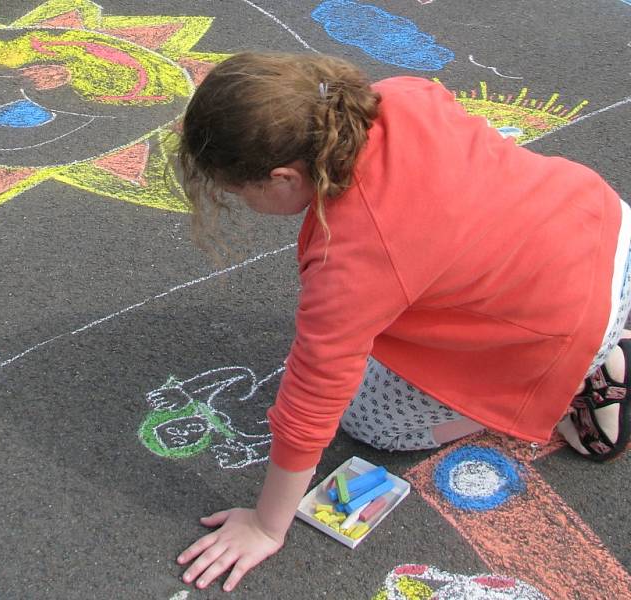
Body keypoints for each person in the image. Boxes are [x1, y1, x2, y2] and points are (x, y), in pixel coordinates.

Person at [174, 51, 630, 592]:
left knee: (372, 420)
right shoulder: (400, 95)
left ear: (282, 178)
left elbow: (312, 401)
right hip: (606, 230)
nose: (239, 202)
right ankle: (597, 340)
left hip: (566, 324)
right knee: (396, 326)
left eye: (238, 192)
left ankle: (583, 378)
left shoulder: (350, 257)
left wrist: (266, 525)